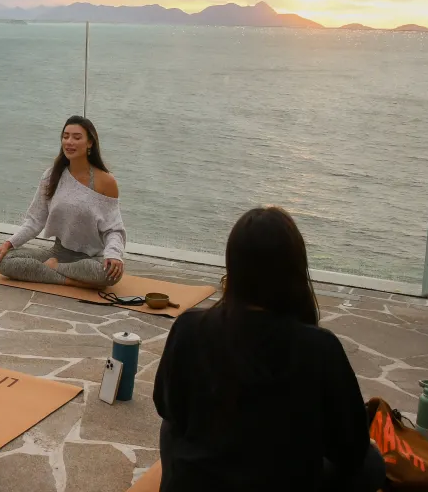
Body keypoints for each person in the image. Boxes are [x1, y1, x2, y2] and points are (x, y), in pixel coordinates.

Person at [153, 207, 386, 492]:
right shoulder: (319, 348)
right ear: (295, 271)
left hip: (201, 482)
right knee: (372, 463)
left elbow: (167, 406)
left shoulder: (189, 328)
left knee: (171, 428)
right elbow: (350, 451)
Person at [0, 115, 125, 288]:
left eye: (77, 137)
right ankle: (74, 281)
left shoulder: (106, 181)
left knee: (110, 275)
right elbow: (35, 220)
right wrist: (8, 244)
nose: (69, 142)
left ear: (90, 142)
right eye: (65, 136)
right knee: (3, 260)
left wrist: (113, 254)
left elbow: (114, 230)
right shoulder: (51, 176)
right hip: (58, 252)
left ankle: (54, 269)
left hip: (91, 259)